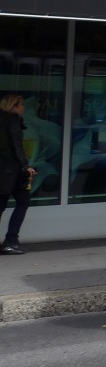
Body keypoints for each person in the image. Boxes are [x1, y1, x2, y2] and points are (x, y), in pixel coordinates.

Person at [0, 93, 35, 255]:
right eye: (21, 104)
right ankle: (11, 241)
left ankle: (11, 241)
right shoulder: (12, 121)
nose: (23, 107)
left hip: (4, 171)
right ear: (13, 106)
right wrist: (25, 166)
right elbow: (16, 146)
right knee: (23, 201)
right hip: (11, 171)